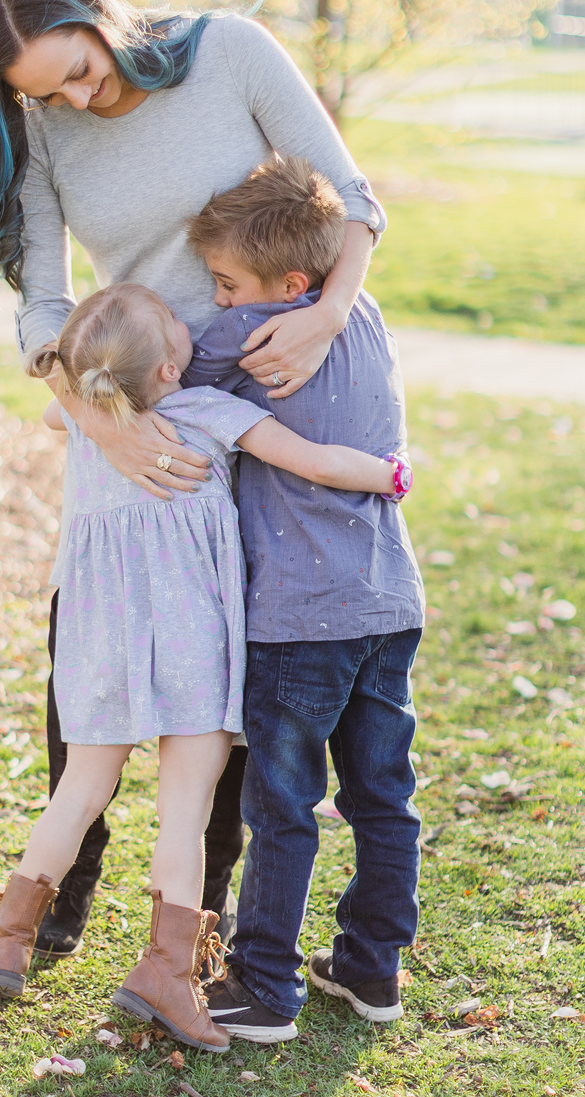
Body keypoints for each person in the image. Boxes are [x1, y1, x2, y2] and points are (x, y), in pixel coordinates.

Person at [0, 0, 387, 964]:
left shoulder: (228, 53)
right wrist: (100, 419)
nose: (77, 99)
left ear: (100, 14)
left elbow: (353, 200)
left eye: (80, 69)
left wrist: (326, 317)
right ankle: (62, 886)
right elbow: (44, 302)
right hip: (129, 397)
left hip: (272, 384)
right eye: (45, 91)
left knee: (239, 648)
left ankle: (197, 911)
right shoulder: (40, 128)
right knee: (88, 635)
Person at [0, 283, 409, 1051]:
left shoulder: (83, 418)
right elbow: (309, 460)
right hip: (192, 639)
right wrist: (387, 476)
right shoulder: (208, 410)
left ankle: (6, 942)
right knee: (185, 808)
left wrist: (95, 393)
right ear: (169, 368)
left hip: (100, 639)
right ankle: (165, 970)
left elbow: (49, 406)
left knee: (80, 789)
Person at [168, 157, 428, 1044]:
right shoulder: (367, 317)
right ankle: (371, 966)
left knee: (281, 802)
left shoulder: (248, 337)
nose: (216, 297)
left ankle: (265, 985)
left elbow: (157, 377)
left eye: (226, 283)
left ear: (286, 286)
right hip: (388, 600)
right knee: (382, 794)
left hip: (297, 614)